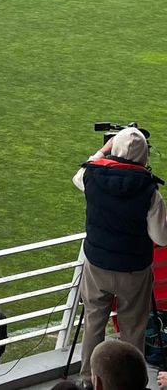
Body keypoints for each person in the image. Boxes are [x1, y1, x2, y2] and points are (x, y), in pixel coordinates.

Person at [73, 127, 167, 387]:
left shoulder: (91, 175)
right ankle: (128, 384)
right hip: (133, 270)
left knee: (94, 322)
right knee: (132, 329)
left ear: (114, 149)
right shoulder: (150, 191)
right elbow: (162, 238)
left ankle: (88, 380)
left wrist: (104, 149)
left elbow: (78, 176)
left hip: (97, 265)